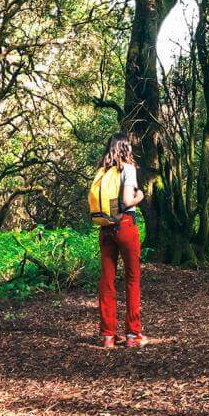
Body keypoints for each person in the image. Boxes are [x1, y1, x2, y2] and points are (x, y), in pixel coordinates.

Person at [95, 133, 147, 348]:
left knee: (107, 280)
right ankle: (133, 335)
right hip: (125, 225)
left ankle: (108, 335)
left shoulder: (102, 171)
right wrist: (139, 197)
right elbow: (126, 201)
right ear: (126, 148)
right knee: (132, 278)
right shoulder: (128, 168)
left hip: (105, 228)